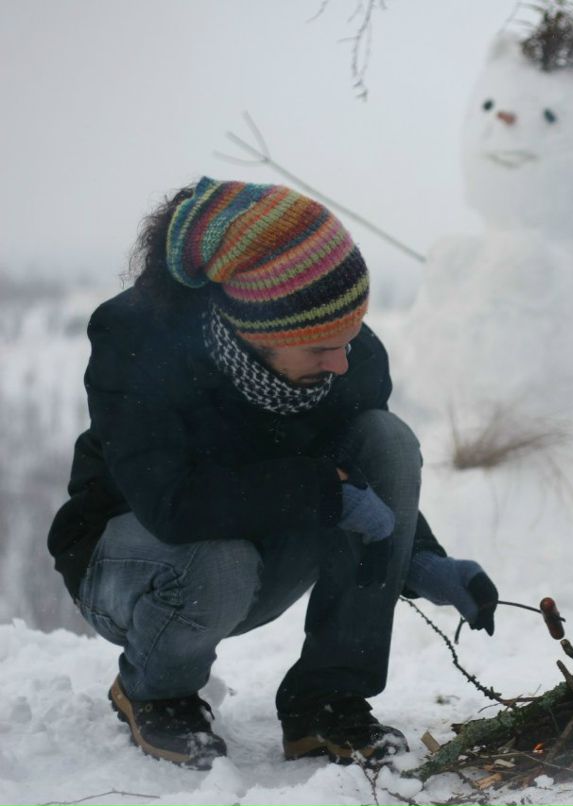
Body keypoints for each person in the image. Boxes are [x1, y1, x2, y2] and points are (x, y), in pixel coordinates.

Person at [47, 178, 499, 770]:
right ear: (256, 331)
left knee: (386, 438)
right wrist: (324, 493)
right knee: (220, 562)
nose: (342, 360)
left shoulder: (349, 358)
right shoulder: (138, 344)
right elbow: (172, 505)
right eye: (319, 349)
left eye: (350, 335)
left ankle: (327, 701)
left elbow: (363, 476)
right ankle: (153, 691)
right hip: (138, 565)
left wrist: (421, 558)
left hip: (257, 548)